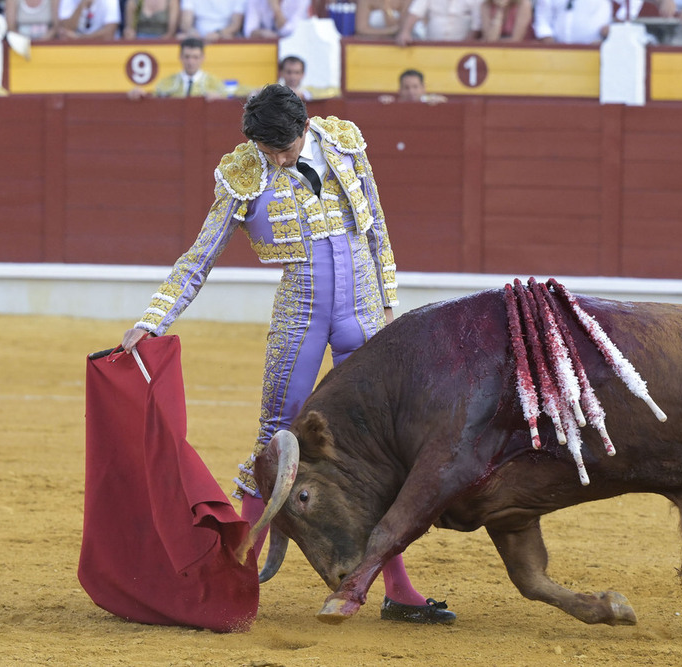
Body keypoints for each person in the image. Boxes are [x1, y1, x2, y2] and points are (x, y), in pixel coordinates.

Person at [120, 84, 456, 625]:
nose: (277, 160)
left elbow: (378, 230)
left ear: (305, 128)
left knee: (380, 453)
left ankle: (397, 588)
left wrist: (390, 310)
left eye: (285, 149)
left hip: (365, 313)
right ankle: (236, 581)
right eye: (267, 151)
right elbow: (200, 256)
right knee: (273, 441)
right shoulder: (245, 171)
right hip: (300, 313)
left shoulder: (344, 142)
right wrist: (152, 319)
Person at [128, 37, 227, 99]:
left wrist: (220, 99)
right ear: (180, 57)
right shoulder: (166, 82)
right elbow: (154, 100)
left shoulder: (215, 83)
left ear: (202, 58)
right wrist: (141, 95)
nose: (190, 62)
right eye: (187, 57)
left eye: (195, 57)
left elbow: (228, 101)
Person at [533, 0, 642, 45]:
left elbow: (633, 2)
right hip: (559, 50)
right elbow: (542, 16)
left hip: (596, 47)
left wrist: (616, 26)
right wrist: (547, 38)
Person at [395, 0, 482, 46]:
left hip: (461, 47)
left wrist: (465, 46)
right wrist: (405, 32)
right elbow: (415, 12)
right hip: (432, 45)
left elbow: (476, 26)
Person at [179, 0, 246, 40]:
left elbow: (236, 25)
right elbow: (186, 22)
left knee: (230, 37)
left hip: (225, 35)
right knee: (182, 37)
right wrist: (191, 31)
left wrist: (218, 34)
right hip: (197, 36)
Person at [243, 0, 310, 38]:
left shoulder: (301, 1)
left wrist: (275, 8)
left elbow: (292, 32)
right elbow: (249, 31)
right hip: (266, 48)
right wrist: (263, 33)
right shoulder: (255, 1)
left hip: (294, 48)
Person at [378, 68, 446, 104]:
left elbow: (442, 100)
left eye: (415, 87)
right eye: (406, 87)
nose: (411, 91)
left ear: (423, 88)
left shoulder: (428, 100)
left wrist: (441, 102)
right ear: (399, 90)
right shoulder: (394, 103)